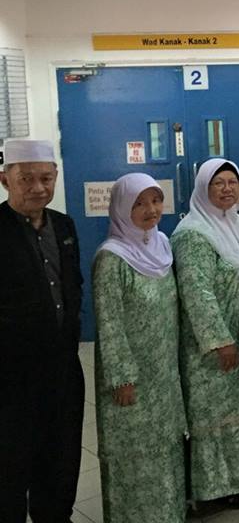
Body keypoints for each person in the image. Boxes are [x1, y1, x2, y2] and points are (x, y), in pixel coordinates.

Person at [172, 158, 239, 510]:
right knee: (219, 418)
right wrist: (220, 340)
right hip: (217, 348)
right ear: (204, 188)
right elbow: (197, 292)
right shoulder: (193, 234)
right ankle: (222, 486)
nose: (228, 188)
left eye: (233, 182)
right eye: (219, 183)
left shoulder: (236, 224)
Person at [92, 173, 186, 523]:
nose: (151, 209)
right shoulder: (112, 258)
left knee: (166, 444)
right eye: (139, 203)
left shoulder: (162, 246)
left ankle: (169, 512)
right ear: (121, 208)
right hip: (133, 378)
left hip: (164, 370)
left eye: (156, 200)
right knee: (134, 450)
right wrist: (122, 378)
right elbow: (110, 323)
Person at [0, 139, 84, 523]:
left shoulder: (64, 226)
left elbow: (72, 286)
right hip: (11, 377)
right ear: (6, 179)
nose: (38, 187)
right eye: (26, 179)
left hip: (62, 371)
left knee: (60, 461)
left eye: (46, 178)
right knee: (11, 468)